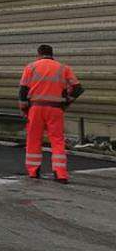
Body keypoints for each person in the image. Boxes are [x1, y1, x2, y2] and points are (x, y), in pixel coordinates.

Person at [19, 44, 84, 183]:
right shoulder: (63, 68)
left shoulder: (30, 67)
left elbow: (23, 90)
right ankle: (60, 174)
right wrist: (66, 102)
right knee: (57, 140)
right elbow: (78, 88)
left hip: (36, 108)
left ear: (39, 54)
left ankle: (33, 171)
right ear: (52, 54)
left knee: (33, 139)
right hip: (55, 109)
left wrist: (24, 108)